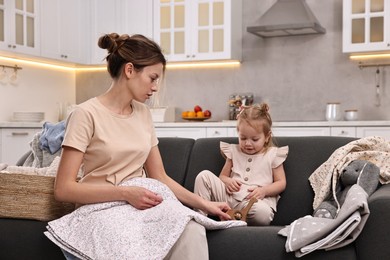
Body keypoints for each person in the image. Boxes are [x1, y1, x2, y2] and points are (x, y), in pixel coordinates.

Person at [50, 33, 233, 260]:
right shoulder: (85, 114)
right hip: (101, 208)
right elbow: (63, 189)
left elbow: (160, 177)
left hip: (140, 205)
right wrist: (125, 193)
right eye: (152, 78)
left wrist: (206, 204)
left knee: (191, 228)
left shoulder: (144, 114)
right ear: (129, 70)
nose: (155, 87)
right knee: (130, 246)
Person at [194, 103, 288, 226]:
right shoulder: (233, 151)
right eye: (243, 138)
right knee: (203, 176)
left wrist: (264, 190)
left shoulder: (273, 154)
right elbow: (222, 177)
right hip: (228, 198)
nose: (248, 143)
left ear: (267, 137)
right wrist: (227, 181)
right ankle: (200, 220)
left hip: (252, 203)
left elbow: (281, 183)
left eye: (254, 139)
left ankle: (236, 218)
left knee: (263, 213)